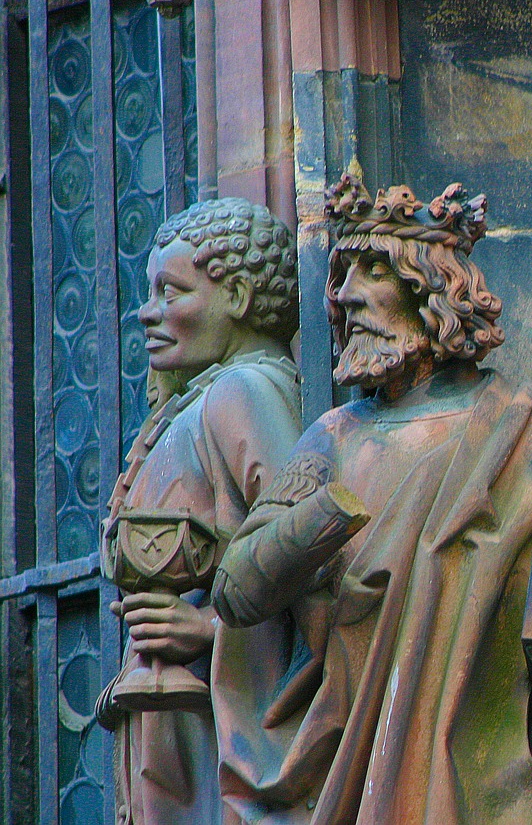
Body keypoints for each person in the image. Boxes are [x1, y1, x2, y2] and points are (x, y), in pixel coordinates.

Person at [209, 169, 532, 824]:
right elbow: (237, 589)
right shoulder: (331, 439)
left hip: (482, 784)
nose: (345, 295)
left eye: (369, 271)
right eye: (339, 275)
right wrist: (324, 513)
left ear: (432, 289)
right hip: (340, 765)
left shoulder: (525, 448)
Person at [96, 198, 302, 825]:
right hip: (178, 724)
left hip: (219, 730)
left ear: (237, 294)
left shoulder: (246, 391)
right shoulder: (201, 398)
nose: (147, 312)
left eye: (170, 292)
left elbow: (311, 559)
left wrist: (211, 631)